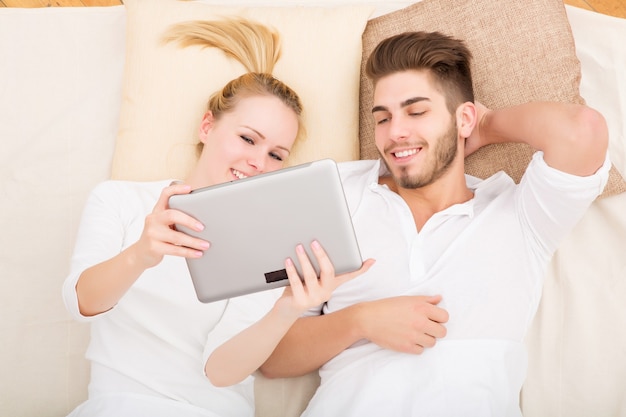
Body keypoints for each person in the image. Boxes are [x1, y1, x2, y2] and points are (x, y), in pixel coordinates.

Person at [209, 30, 611, 416]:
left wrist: (486, 127)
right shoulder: (339, 196)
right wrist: (361, 321)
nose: (395, 133)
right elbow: (274, 360)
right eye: (382, 118)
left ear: (463, 117)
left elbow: (581, 131)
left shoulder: (520, 214)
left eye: (416, 111)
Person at [62, 18, 369, 417]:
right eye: (247, 138)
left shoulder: (270, 246)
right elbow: (80, 302)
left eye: (276, 154)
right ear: (207, 126)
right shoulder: (120, 200)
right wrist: (141, 253)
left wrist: (287, 308)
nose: (258, 162)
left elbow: (220, 373)